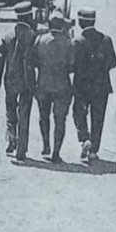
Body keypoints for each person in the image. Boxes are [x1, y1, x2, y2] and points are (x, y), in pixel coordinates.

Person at [70, 8, 116, 164]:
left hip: (82, 86)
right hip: (101, 86)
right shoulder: (106, 40)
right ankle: (93, 150)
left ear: (81, 22)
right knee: (98, 118)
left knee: (79, 113)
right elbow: (113, 62)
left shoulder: (77, 42)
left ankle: (84, 139)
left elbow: (71, 65)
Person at [0, 4, 39, 160]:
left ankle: (12, 140)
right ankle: (21, 149)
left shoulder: (7, 36)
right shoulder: (33, 37)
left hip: (10, 81)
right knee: (24, 114)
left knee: (10, 111)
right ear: (28, 17)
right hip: (27, 82)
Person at [32, 13, 76, 162]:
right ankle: (56, 153)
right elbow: (72, 66)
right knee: (60, 120)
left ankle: (46, 146)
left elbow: (34, 62)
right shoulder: (68, 43)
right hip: (62, 87)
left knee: (44, 117)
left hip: (43, 85)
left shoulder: (40, 40)